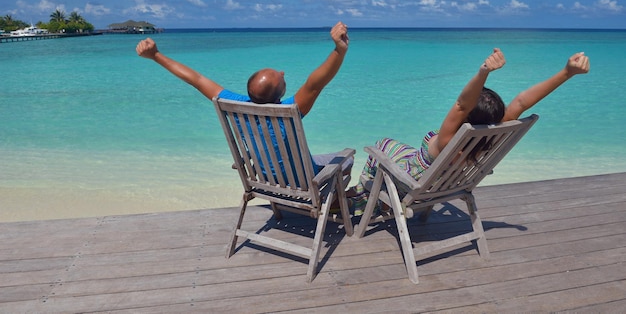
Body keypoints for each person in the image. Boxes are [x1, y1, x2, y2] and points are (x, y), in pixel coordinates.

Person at [348, 48, 590, 215]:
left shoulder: (448, 141)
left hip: (412, 179)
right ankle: (367, 197)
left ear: (466, 118)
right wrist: (567, 73)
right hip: (442, 183)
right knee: (394, 147)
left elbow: (461, 104)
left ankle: (362, 200)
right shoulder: (489, 136)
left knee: (379, 146)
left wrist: (483, 71)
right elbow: (521, 103)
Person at [136, 21, 352, 178]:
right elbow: (315, 83)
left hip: (268, 180)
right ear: (279, 95)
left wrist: (156, 55)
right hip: (303, 181)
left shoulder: (236, 107)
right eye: (281, 76)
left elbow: (197, 79)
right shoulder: (289, 110)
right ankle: (334, 203)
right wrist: (339, 51)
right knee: (347, 158)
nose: (283, 72)